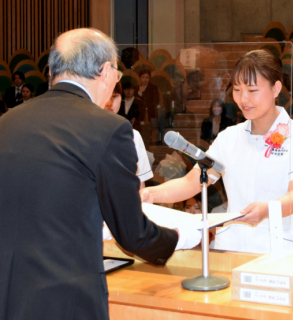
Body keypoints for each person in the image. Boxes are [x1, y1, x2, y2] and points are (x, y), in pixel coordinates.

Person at [0, 28, 200, 320]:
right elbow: (132, 233)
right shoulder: (108, 128)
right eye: (117, 75)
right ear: (106, 71)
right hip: (65, 298)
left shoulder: (8, 122)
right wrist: (177, 238)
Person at [141, 49, 293, 254]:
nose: (243, 99)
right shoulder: (228, 138)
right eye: (236, 89)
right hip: (232, 245)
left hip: (279, 245)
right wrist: (150, 194)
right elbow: (192, 182)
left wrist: (266, 210)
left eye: (252, 91)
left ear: (276, 88)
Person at [104, 81, 153, 188]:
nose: (109, 102)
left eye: (115, 96)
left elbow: (140, 184)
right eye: (106, 96)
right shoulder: (83, 133)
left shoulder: (133, 136)